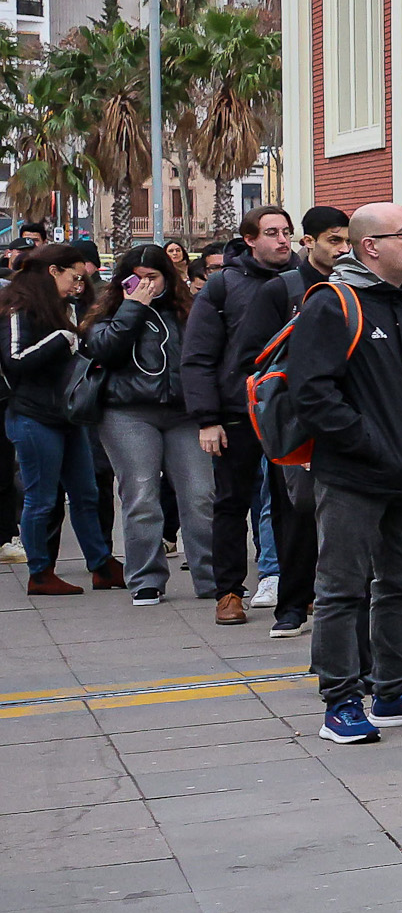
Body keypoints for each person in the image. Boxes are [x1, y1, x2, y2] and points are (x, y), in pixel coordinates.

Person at [277, 204, 402, 741]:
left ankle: (394, 689)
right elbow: (312, 394)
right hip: (355, 475)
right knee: (342, 589)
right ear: (370, 247)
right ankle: (340, 700)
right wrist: (370, 444)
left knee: (400, 585)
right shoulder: (332, 305)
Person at [182, 205, 306, 628]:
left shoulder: (305, 279)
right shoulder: (223, 285)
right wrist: (206, 418)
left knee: (294, 504)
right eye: (272, 232)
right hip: (237, 412)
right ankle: (229, 591)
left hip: (290, 411)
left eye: (287, 231)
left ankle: (296, 592)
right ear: (250, 239)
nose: (282, 240)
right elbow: (198, 356)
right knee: (232, 502)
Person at [82, 244, 211, 606]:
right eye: (137, 280)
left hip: (184, 413)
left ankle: (212, 576)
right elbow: (106, 349)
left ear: (167, 278)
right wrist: (133, 307)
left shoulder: (186, 310)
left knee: (201, 494)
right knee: (141, 495)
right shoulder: (109, 311)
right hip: (128, 411)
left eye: (152, 279)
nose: (146, 286)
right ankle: (146, 579)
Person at [3, 240, 113, 593]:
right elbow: (15, 359)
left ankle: (101, 565)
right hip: (32, 416)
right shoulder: (20, 307)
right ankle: (40, 572)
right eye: (74, 278)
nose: (79, 286)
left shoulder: (66, 306)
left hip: (66, 415)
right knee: (41, 498)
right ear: (53, 271)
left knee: (86, 493)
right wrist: (61, 337)